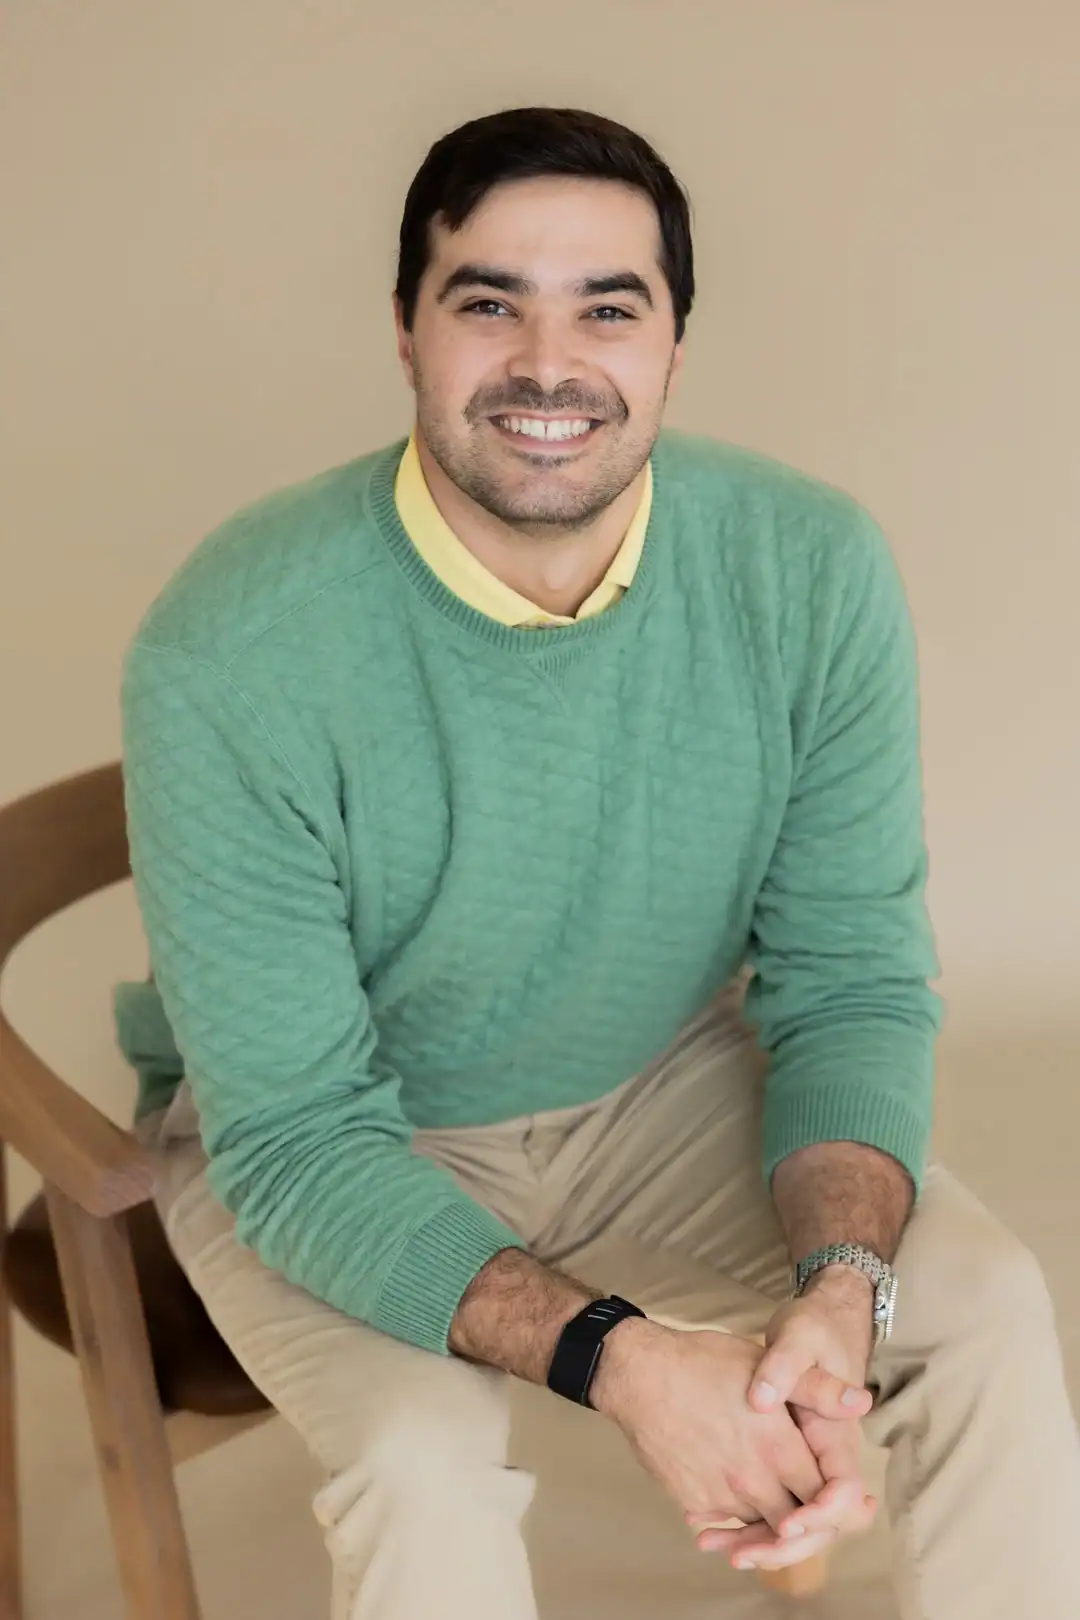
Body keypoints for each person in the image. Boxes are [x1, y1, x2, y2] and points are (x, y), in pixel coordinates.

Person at [113, 106, 1080, 1619]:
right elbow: (296, 1131)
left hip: (661, 1079)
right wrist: (623, 1363)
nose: (547, 364)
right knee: (424, 1470)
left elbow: (848, 977)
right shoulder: (228, 647)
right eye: (488, 301)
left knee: (985, 1312)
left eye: (607, 308)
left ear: (674, 345)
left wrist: (844, 1286)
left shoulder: (808, 566)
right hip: (339, 1135)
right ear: (406, 331)